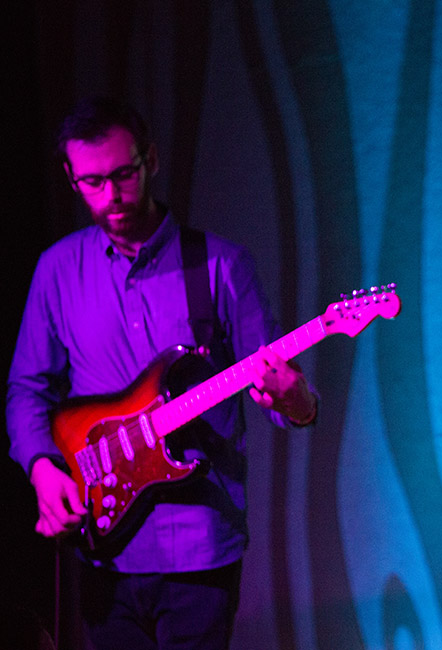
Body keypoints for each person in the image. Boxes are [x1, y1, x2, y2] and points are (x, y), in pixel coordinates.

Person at [6, 96, 318, 650]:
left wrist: (297, 400)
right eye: (92, 182)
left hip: (198, 546)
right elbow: (28, 389)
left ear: (150, 159)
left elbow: (278, 386)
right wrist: (41, 468)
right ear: (70, 177)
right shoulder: (57, 269)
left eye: (123, 174)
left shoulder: (221, 265)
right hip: (101, 544)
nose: (111, 196)